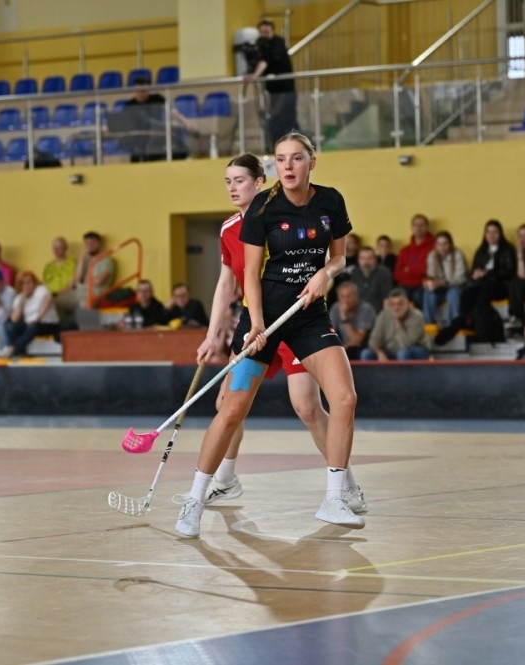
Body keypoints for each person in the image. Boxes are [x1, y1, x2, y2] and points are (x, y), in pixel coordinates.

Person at [176, 132, 363, 537]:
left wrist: (326, 273)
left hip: (309, 317)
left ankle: (335, 498)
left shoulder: (331, 201)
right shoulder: (263, 206)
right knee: (231, 409)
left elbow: (339, 256)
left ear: (312, 161)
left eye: (296, 158)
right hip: (262, 318)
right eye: (281, 159)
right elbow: (248, 274)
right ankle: (195, 498)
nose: (288, 166)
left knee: (344, 398)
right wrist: (256, 323)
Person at [246, 19, 298, 150]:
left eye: (267, 32)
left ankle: (293, 146)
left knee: (286, 119)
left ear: (272, 31)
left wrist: (255, 75)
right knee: (275, 120)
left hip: (285, 89)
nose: (264, 35)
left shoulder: (278, 43)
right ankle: (277, 146)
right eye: (262, 32)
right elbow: (257, 60)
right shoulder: (261, 44)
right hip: (273, 91)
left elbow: (266, 61)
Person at [460, 219, 516, 317]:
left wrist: (487, 273)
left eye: (495, 232)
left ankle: (484, 321)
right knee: (466, 294)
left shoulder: (508, 249)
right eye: (488, 232)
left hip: (501, 285)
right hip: (482, 284)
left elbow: (509, 272)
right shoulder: (481, 251)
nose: (491, 235)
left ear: (500, 234)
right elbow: (474, 270)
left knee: (484, 291)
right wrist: (474, 275)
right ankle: (466, 321)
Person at [57, 231, 115, 325]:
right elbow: (77, 278)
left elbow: (99, 281)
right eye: (87, 244)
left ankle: (89, 330)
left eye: (92, 243)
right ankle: (66, 327)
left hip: (96, 292)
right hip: (80, 291)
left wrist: (81, 283)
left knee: (85, 303)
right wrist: (81, 259)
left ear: (99, 243)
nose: (90, 246)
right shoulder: (86, 259)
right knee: (57, 301)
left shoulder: (106, 260)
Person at [360, 288, 430, 361]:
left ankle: (402, 369)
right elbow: (373, 341)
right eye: (392, 304)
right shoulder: (383, 315)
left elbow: (406, 345)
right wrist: (379, 352)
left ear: (407, 304)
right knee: (366, 353)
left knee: (403, 353)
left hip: (416, 350)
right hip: (391, 351)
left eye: (400, 304)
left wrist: (397, 322)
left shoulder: (417, 317)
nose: (396, 308)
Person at [4, 271, 59, 358]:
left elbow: (48, 299)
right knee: (10, 327)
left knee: (33, 326)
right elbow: (14, 319)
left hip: (48, 323)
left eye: (29, 282)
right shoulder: (19, 298)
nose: (26, 286)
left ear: (34, 282)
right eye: (23, 283)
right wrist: (22, 300)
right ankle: (21, 353)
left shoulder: (41, 289)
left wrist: (39, 316)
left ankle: (14, 349)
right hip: (31, 325)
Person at [421, 230, 466, 326]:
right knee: (428, 293)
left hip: (455, 286)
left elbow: (461, 278)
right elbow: (431, 275)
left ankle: (450, 325)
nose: (442, 247)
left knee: (453, 294)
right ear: (435, 245)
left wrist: (444, 282)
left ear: (450, 244)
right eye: (439, 244)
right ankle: (429, 324)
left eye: (445, 244)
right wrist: (428, 282)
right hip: (440, 288)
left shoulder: (458, 255)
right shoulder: (432, 256)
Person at [393, 214, 434, 304]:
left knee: (418, 297)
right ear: (411, 227)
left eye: (421, 225)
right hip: (405, 286)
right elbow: (397, 273)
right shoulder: (404, 250)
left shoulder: (434, 248)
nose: (418, 228)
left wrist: (409, 271)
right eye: (415, 225)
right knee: (394, 298)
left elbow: (430, 272)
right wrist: (416, 273)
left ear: (427, 227)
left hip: (423, 286)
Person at [329, 280, 375, 360]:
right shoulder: (336, 308)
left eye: (349, 296)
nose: (346, 300)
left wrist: (344, 319)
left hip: (365, 347)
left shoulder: (366, 309)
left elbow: (357, 341)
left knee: (352, 350)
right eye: (342, 296)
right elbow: (330, 333)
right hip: (344, 346)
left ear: (356, 296)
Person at [351, 246, 393, 312]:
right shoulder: (355, 273)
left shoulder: (383, 272)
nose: (366, 262)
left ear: (375, 260)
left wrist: (385, 316)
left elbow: (387, 298)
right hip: (358, 312)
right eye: (362, 259)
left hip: (377, 312)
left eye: (369, 258)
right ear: (358, 260)